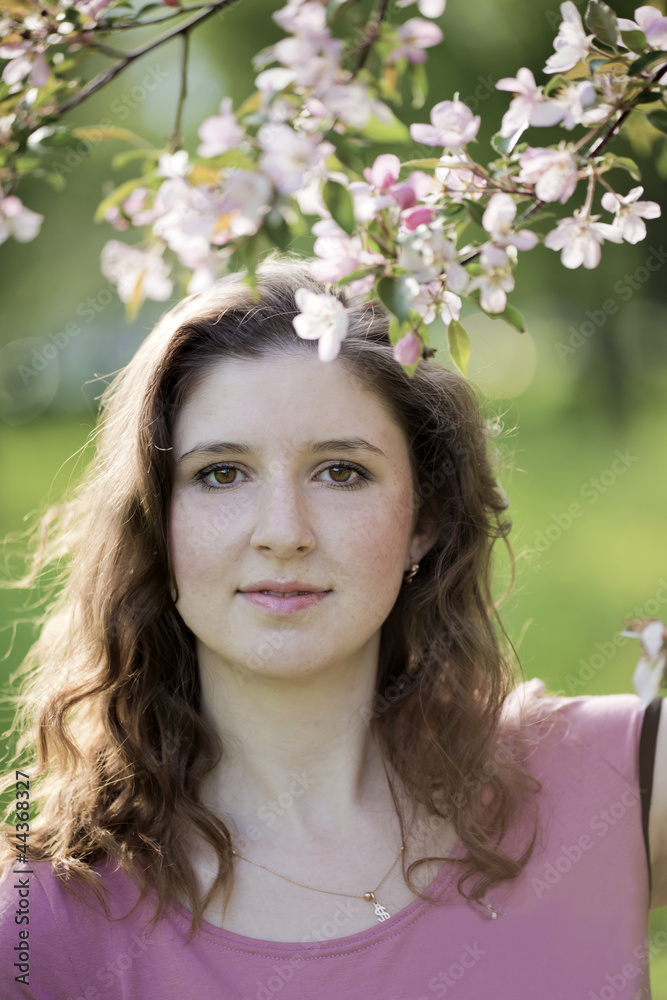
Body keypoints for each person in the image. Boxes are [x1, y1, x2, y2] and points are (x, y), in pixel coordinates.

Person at [0, 252, 663, 1000]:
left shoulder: (609, 782)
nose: (284, 532)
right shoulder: (45, 920)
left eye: (341, 471)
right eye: (221, 473)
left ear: (426, 518)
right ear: (155, 523)